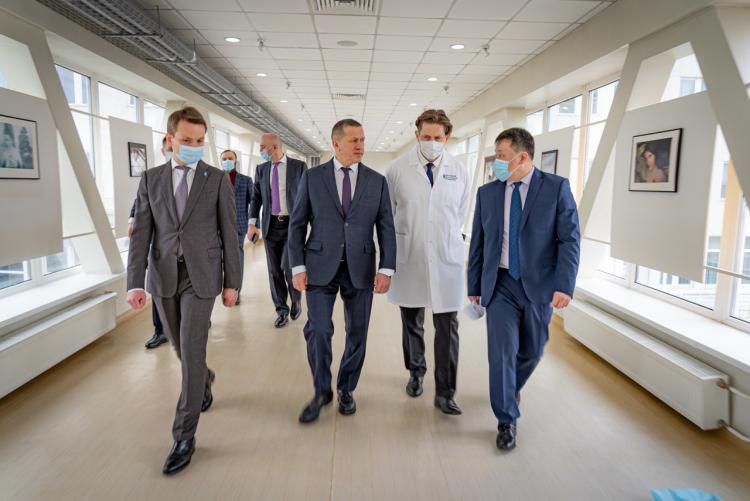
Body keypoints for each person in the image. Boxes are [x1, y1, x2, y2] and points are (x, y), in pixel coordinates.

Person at [126, 106, 241, 475]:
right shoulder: (151, 179)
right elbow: (141, 234)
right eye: (187, 140)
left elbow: (230, 233)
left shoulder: (215, 179)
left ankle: (183, 436)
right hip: (163, 275)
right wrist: (134, 282)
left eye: (200, 141)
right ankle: (204, 379)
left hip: (201, 277)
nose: (194, 146)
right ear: (170, 139)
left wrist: (232, 283)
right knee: (179, 347)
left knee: (191, 350)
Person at [467, 127, 580, 451]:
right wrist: (474, 285)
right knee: (501, 353)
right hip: (500, 283)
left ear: (523, 157)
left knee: (533, 350)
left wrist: (564, 284)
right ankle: (506, 419)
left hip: (538, 285)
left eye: (501, 156)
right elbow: (479, 242)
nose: (497, 163)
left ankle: (509, 388)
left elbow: (569, 239)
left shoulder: (556, 188)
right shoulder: (488, 193)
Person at [288, 119, 396, 423]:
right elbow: (297, 225)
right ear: (336, 144)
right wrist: (297, 266)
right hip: (319, 266)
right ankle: (321, 390)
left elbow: (386, 226)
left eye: (362, 140)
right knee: (319, 330)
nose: (360, 146)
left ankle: (346, 388)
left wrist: (387, 268)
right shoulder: (313, 178)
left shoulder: (377, 181)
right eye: (353, 140)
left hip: (361, 267)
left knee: (357, 332)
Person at [385, 109, 470, 415]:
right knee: (412, 322)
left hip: (446, 259)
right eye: (426, 136)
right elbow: (387, 216)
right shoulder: (397, 169)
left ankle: (445, 392)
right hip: (410, 256)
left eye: (437, 137)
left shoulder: (459, 170)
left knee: (448, 327)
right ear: (416, 134)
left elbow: (460, 214)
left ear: (447, 137)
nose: (432, 142)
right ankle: (416, 371)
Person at [248, 133, 307, 327]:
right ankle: (281, 310)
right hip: (271, 225)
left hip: (292, 226)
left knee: (289, 268)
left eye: (262, 147)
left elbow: (307, 196)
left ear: (274, 147)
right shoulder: (262, 169)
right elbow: (256, 197)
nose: (260, 150)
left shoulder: (299, 167)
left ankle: (296, 301)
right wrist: (252, 223)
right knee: (274, 271)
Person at [128, 136, 171, 349]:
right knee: (159, 289)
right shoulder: (153, 177)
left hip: (189, 247)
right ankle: (160, 331)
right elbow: (140, 203)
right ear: (163, 151)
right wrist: (132, 219)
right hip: (161, 245)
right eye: (170, 148)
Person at [220, 149, 253, 305]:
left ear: (235, 161)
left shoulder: (246, 180)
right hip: (217, 228)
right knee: (218, 261)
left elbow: (254, 203)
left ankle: (235, 292)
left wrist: (254, 224)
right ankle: (221, 290)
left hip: (238, 226)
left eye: (230, 158)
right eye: (224, 158)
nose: (227, 161)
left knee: (236, 261)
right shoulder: (214, 178)